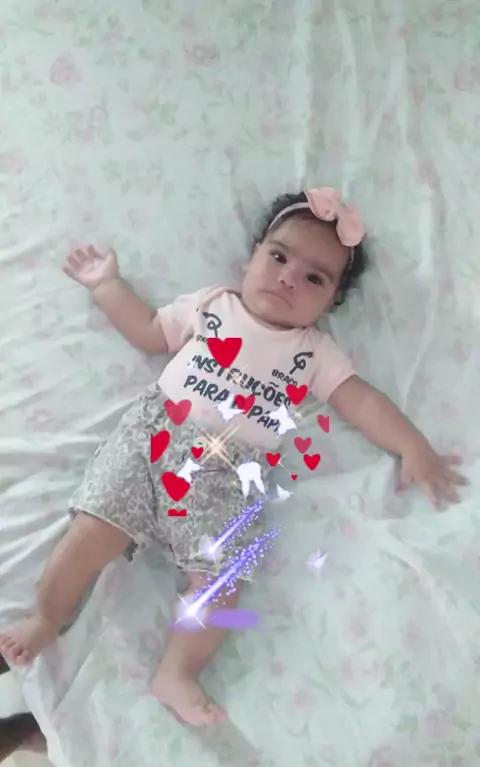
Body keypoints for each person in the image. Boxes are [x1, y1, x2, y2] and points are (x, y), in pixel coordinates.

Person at [0, 187, 468, 725]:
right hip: (153, 441)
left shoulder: (313, 353)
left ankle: (177, 672)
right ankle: (46, 618)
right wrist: (107, 285)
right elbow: (149, 331)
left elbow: (361, 401)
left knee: (223, 584)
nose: (289, 278)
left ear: (331, 302)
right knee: (90, 532)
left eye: (314, 278)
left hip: (226, 476)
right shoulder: (212, 306)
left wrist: (413, 447)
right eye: (279, 257)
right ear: (252, 257)